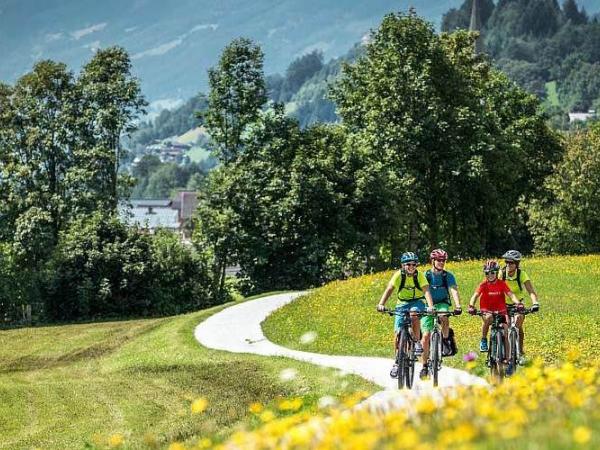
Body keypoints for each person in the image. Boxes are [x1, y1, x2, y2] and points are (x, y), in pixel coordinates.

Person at [377, 252, 435, 380]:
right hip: (402, 304)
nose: (411, 266)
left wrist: (430, 306)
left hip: (417, 302)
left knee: (414, 314)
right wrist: (381, 304)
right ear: (403, 265)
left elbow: (426, 291)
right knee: (397, 333)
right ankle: (397, 362)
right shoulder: (398, 275)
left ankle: (416, 342)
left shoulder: (419, 275)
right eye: (408, 264)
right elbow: (389, 289)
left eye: (414, 264)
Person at [468, 260, 520, 362]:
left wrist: (518, 303)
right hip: (487, 310)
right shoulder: (483, 285)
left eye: (492, 272)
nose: (490, 275)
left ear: (496, 273)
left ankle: (508, 359)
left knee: (506, 328)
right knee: (488, 318)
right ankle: (483, 339)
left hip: (501, 310)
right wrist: (471, 306)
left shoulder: (502, 284)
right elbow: (475, 296)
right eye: (487, 273)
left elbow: (511, 295)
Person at [499, 250, 540, 363]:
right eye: (506, 262)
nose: (508, 264)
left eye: (511, 262)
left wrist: (535, 303)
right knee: (503, 327)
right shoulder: (501, 273)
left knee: (518, 326)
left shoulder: (521, 274)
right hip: (503, 303)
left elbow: (530, 290)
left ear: (516, 264)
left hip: (518, 304)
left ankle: (520, 353)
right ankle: (502, 351)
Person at [424, 249, 462, 357]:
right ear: (433, 261)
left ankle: (445, 341)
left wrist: (458, 306)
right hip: (428, 305)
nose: (441, 262)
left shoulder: (447, 276)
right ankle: (425, 365)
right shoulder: (426, 275)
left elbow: (454, 290)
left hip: (442, 303)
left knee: (444, 316)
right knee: (426, 335)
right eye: (439, 260)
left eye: (443, 260)